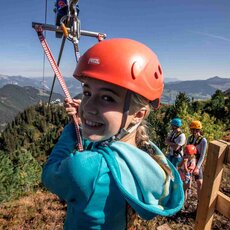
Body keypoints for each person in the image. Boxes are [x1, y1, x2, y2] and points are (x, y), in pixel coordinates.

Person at [42, 38, 184, 229]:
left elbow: (49, 174)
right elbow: (102, 149)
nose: (88, 107)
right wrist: (89, 124)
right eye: (87, 93)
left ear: (138, 115)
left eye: (107, 98)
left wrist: (71, 128)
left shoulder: (86, 169)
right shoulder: (148, 157)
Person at [187, 120, 207, 202]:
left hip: (198, 161)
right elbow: (187, 150)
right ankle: (186, 197)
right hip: (190, 160)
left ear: (197, 130)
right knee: (187, 181)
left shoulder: (203, 140)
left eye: (192, 129)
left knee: (199, 182)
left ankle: (200, 201)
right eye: (191, 129)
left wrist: (197, 168)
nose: (191, 131)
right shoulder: (190, 138)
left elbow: (202, 155)